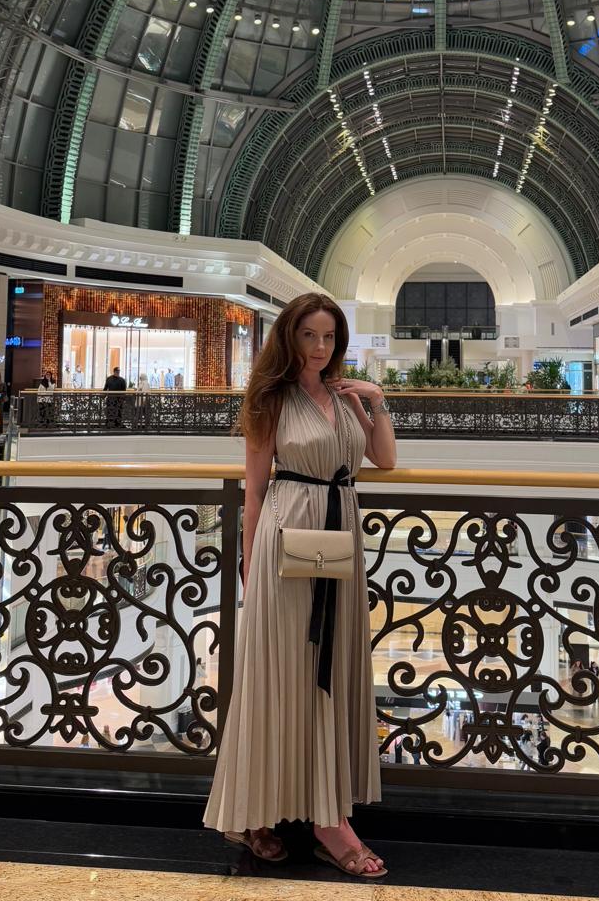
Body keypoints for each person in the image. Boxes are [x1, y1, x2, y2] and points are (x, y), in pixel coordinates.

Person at [204, 293, 396, 878]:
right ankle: (259, 809)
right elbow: (254, 490)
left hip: (338, 538)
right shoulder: (270, 398)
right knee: (281, 673)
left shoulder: (343, 396)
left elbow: (385, 459)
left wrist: (375, 400)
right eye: (309, 335)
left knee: (328, 669)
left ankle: (326, 815)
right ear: (289, 337)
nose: (319, 347)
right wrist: (249, 562)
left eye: (329, 337)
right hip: (287, 539)